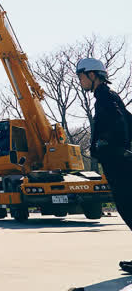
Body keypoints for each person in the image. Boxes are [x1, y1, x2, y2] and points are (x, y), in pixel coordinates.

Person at [76, 58, 132, 274]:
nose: (80, 81)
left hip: (118, 162)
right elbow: (129, 121)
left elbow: (119, 122)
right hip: (121, 160)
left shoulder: (104, 98)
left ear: (93, 75)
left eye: (81, 76)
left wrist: (104, 143)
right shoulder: (109, 96)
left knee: (127, 207)